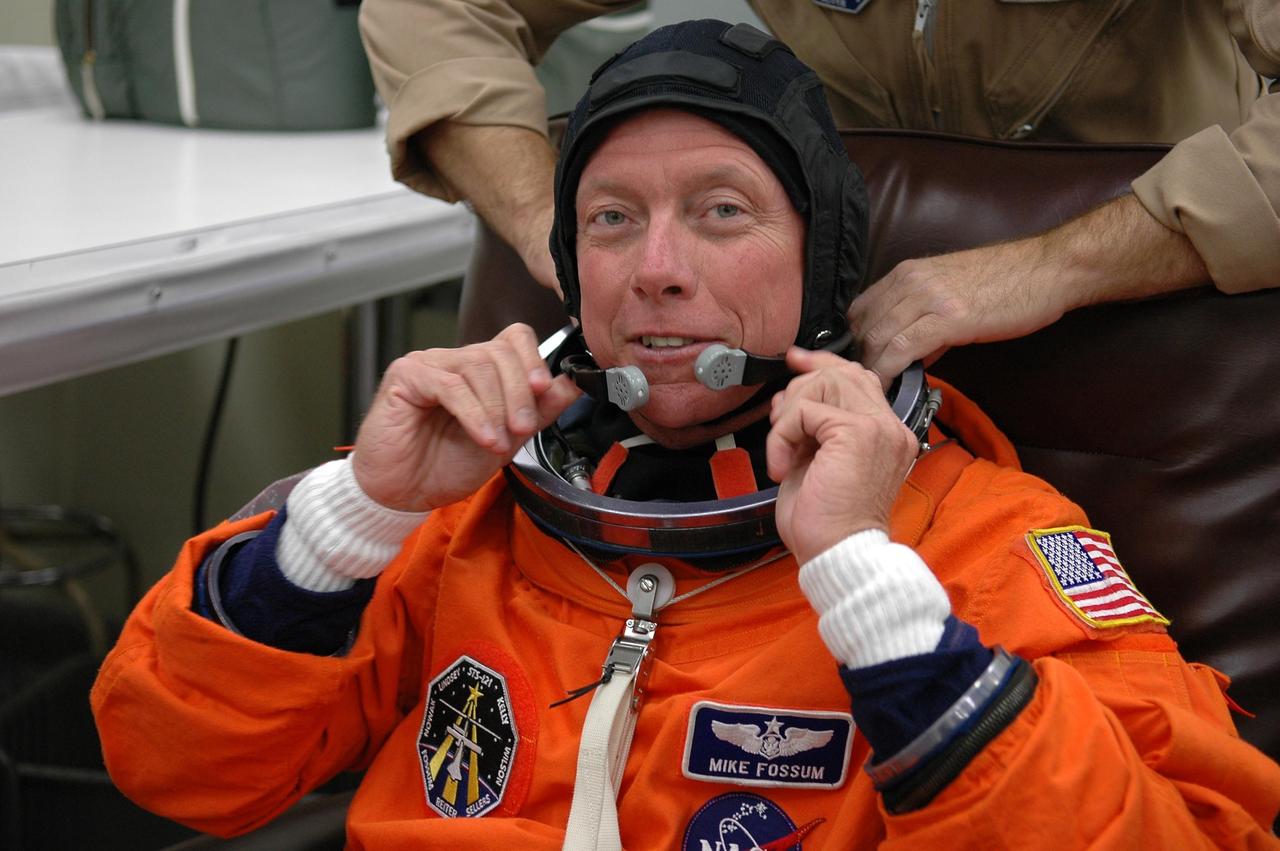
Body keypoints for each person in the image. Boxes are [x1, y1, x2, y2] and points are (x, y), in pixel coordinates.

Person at [92, 21, 1279, 850]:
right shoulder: (456, 512)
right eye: (611, 219)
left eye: (720, 211)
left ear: (817, 268)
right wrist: (350, 514)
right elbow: (180, 767)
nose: (654, 271)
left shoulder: (975, 541)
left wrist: (867, 583)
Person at [357, 0, 1280, 381]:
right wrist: (550, 227)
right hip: (848, 340)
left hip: (1165, 333)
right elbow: (430, 9)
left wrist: (1055, 264)